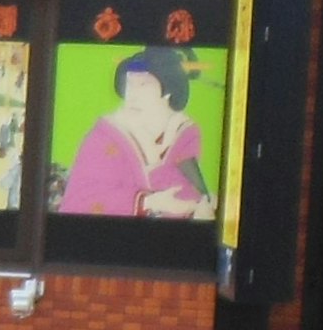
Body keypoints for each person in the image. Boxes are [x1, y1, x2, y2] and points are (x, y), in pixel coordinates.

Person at [57, 44, 217, 219]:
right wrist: (148, 202)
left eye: (143, 84)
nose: (132, 94)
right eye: (129, 84)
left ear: (167, 91)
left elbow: (185, 194)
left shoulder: (183, 133)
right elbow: (79, 201)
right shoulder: (105, 134)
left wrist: (201, 208)